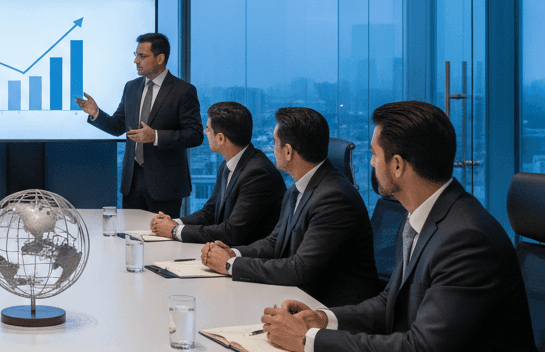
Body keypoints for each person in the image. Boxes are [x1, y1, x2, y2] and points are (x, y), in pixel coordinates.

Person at [261, 101, 544, 352]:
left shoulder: (466, 238)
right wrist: (323, 319)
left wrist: (308, 342)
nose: (370, 164)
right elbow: (388, 304)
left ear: (397, 165)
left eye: (374, 155)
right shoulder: (423, 218)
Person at [200, 107, 380, 307]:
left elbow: (299, 269)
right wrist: (233, 253)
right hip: (300, 297)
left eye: (274, 143)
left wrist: (230, 264)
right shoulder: (297, 189)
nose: (272, 149)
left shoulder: (334, 198)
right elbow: (274, 242)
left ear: (287, 151)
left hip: (332, 308)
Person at [77, 33, 203, 216]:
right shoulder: (131, 87)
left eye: (142, 56)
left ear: (160, 59)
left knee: (161, 235)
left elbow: (195, 135)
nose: (136, 61)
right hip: (132, 182)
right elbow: (118, 126)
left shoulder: (183, 90)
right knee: (130, 233)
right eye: (136, 55)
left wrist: (155, 136)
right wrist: (96, 113)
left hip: (166, 186)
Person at [150, 101, 284, 245]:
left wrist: (174, 230)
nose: (205, 132)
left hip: (248, 254)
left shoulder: (258, 173)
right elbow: (210, 212)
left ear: (220, 138)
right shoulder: (228, 164)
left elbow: (232, 233)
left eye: (208, 129)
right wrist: (174, 222)